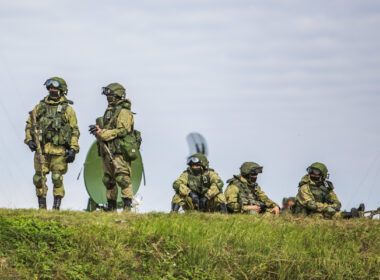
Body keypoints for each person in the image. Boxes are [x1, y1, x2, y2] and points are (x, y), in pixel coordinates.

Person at [24, 77, 80, 210]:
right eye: (50, 87)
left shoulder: (68, 110)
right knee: (38, 178)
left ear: (61, 90)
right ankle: (42, 207)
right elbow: (29, 125)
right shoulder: (39, 107)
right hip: (41, 149)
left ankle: (56, 207)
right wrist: (29, 140)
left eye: (55, 87)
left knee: (56, 177)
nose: (52, 89)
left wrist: (73, 149)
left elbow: (74, 131)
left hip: (59, 151)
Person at [89, 83, 135, 211]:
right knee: (108, 179)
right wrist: (98, 130)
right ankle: (111, 207)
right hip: (107, 150)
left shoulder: (124, 112)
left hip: (120, 151)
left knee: (122, 178)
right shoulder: (109, 111)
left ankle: (127, 207)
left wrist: (102, 134)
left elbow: (122, 130)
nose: (108, 97)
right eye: (107, 95)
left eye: (111, 95)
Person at [293, 162, 362, 219]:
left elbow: (336, 201)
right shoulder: (305, 187)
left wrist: (334, 206)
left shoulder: (326, 187)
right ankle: (349, 215)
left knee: (330, 214)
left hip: (322, 210)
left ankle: (354, 214)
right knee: (321, 217)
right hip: (306, 214)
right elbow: (310, 204)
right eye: (311, 171)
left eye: (316, 173)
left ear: (323, 175)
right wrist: (327, 208)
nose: (312, 174)